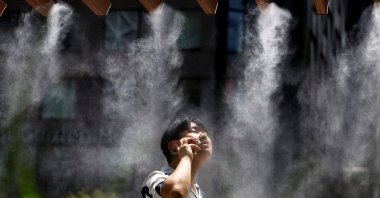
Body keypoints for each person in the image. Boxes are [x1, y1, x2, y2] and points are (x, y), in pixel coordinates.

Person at [141, 117, 212, 198]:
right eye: (194, 131)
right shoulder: (155, 179)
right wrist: (186, 157)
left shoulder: (197, 192)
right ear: (174, 146)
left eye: (205, 132)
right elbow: (176, 193)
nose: (204, 135)